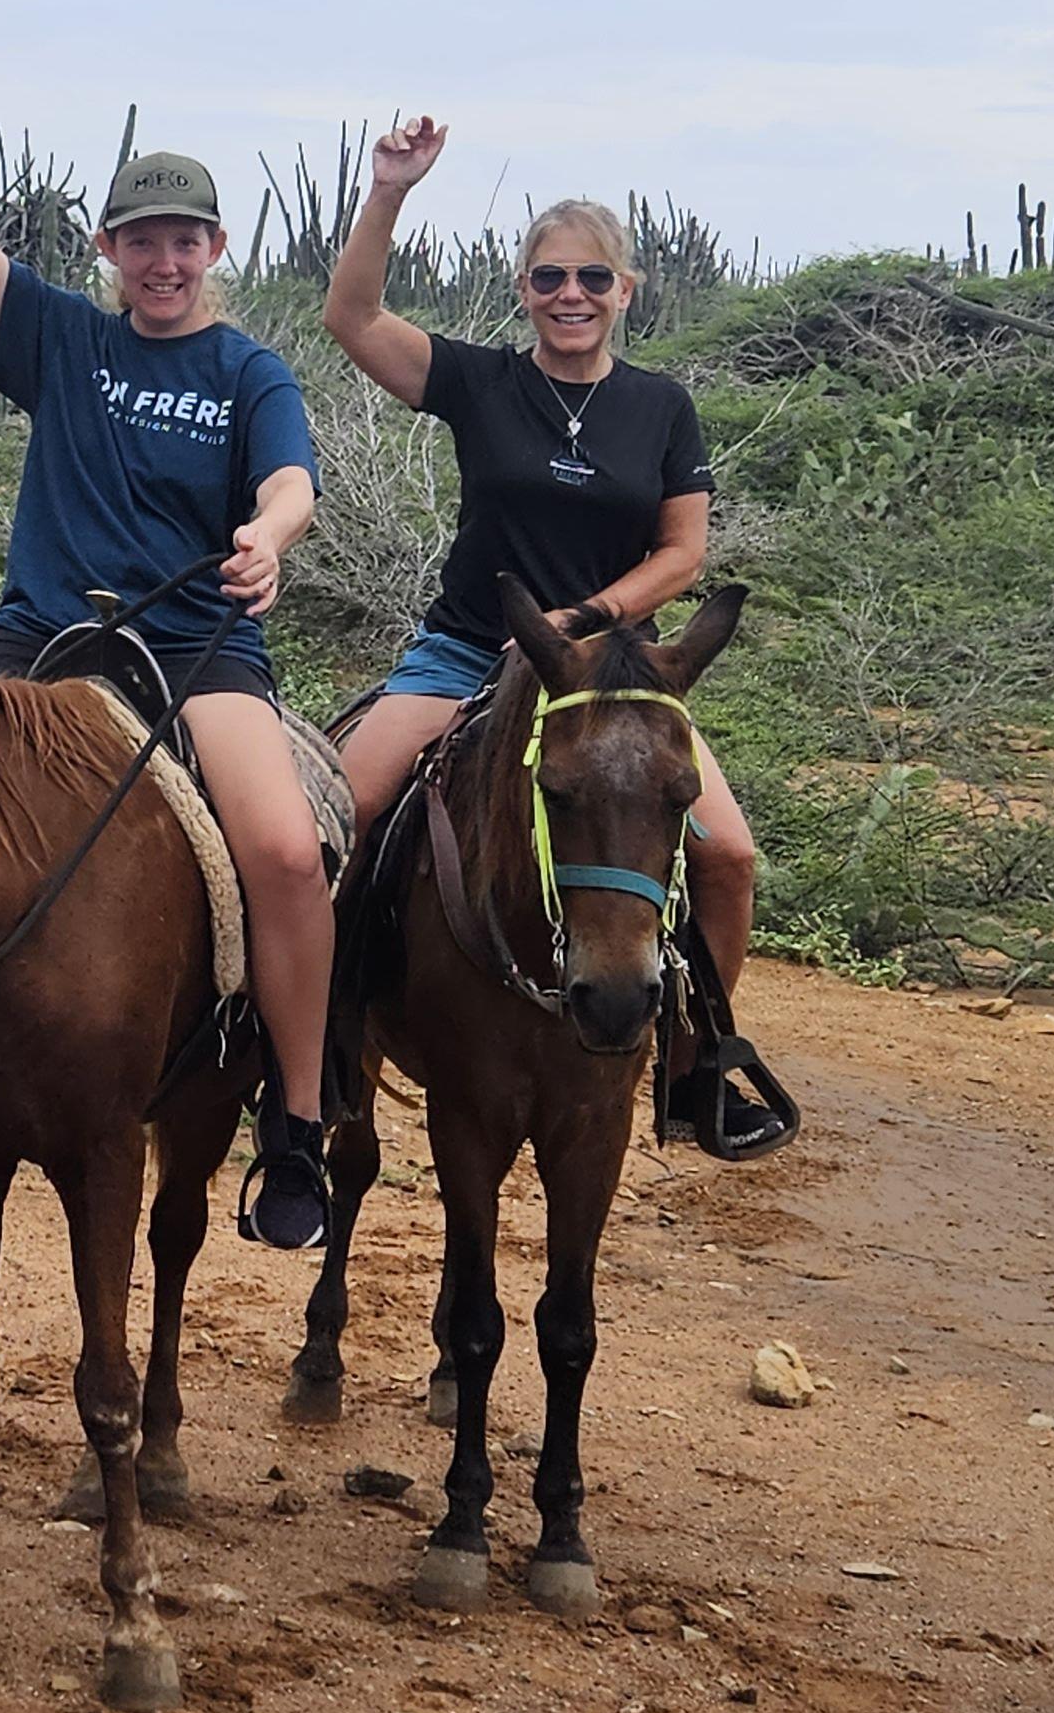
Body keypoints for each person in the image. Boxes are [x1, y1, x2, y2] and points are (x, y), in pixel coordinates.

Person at [0, 11, 339, 1244]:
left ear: (215, 247)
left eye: (183, 240)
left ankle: (295, 1123)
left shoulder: (247, 371)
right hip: (45, 633)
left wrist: (268, 536)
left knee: (283, 851)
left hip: (197, 642)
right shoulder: (64, 335)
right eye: (141, 240)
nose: (163, 261)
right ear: (108, 248)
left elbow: (291, 482)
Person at [318, 119, 763, 1134]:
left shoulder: (659, 407)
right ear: (523, 287)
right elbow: (351, 315)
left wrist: (586, 617)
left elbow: (683, 554)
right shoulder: (481, 382)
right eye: (551, 276)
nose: (572, 294)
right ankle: (326, 1044)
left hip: (616, 678)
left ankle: (694, 1065)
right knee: (339, 819)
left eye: (593, 278)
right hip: (466, 654)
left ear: (625, 291)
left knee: (729, 857)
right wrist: (388, 190)